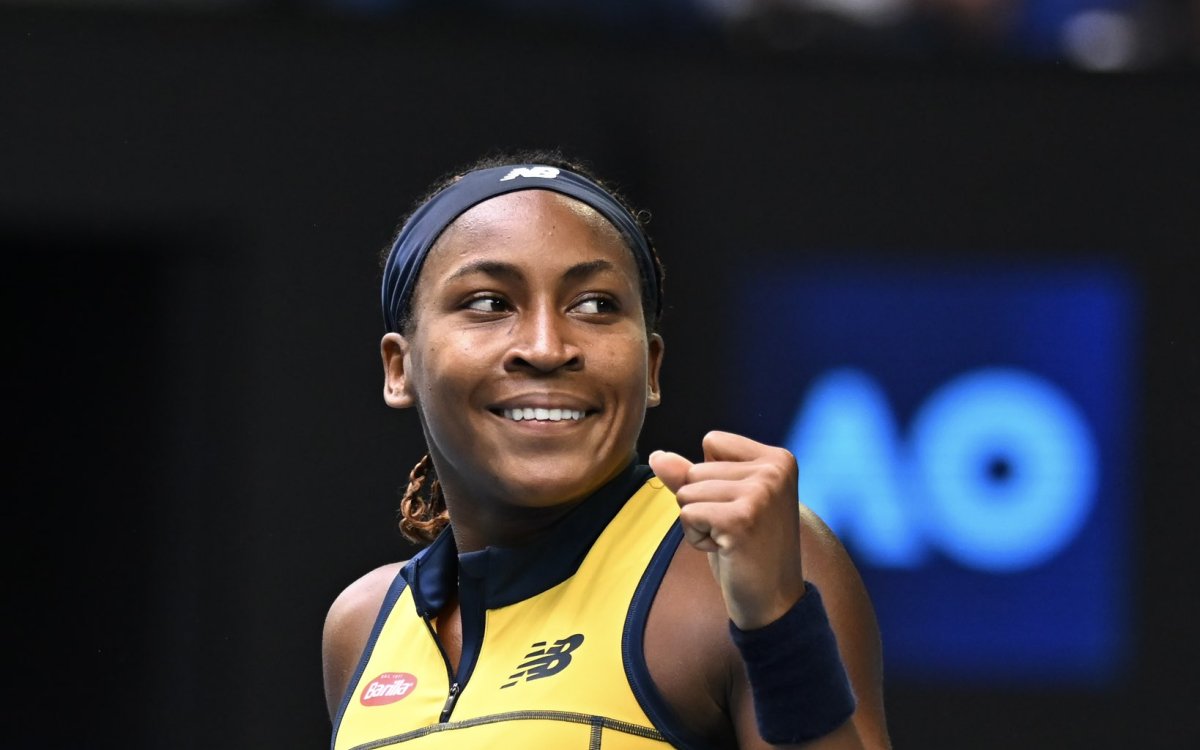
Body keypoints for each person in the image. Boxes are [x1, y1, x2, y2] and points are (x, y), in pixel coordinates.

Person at [322, 150, 892, 749]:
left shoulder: (739, 560)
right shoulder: (363, 624)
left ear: (651, 367)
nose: (546, 348)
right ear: (399, 367)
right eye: (489, 303)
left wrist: (776, 620)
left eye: (594, 305)